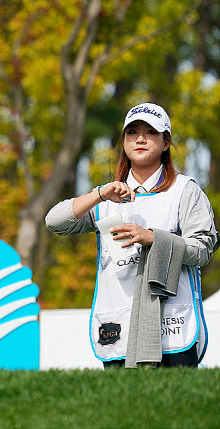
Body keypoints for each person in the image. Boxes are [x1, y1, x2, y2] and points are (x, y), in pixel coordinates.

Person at [45, 102, 218, 369]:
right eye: (132, 132)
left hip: (172, 324)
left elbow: (204, 249)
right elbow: (54, 222)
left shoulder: (185, 190)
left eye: (151, 132)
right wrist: (100, 193)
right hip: (118, 322)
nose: (140, 138)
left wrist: (153, 238)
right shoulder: (106, 196)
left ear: (165, 143)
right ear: (123, 142)